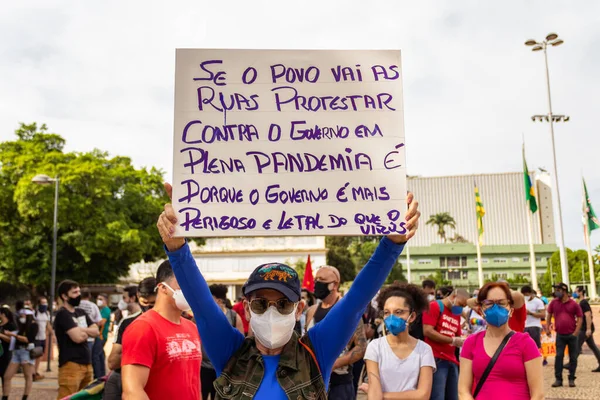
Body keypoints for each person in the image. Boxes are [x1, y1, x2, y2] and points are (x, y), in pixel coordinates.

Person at [156, 182, 419, 399]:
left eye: (283, 304)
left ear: (299, 309)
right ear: (247, 309)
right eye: (260, 304)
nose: (271, 312)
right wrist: (177, 248)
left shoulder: (317, 350)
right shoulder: (229, 351)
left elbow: (354, 302)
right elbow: (202, 305)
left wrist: (391, 244)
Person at [121, 261, 202, 400]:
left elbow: (194, 383)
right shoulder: (143, 328)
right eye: (182, 284)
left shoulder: (192, 328)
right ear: (162, 287)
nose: (190, 289)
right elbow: (132, 392)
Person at [458, 282, 543, 400]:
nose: (495, 307)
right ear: (480, 311)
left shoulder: (526, 343)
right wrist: (484, 296)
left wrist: (496, 289)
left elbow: (538, 394)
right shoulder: (471, 343)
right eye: (489, 303)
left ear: (511, 310)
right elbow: (463, 391)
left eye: (501, 303)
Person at [305, 265, 368, 399]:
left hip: (340, 383)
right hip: (313, 382)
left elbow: (361, 347)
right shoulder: (311, 311)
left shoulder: (348, 311)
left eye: (322, 279)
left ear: (334, 284)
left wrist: (334, 364)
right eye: (316, 279)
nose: (317, 283)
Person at [364, 283, 435, 398]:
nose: (391, 317)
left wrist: (383, 395)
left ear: (412, 316)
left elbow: (423, 395)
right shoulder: (375, 347)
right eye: (387, 312)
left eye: (398, 312)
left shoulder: (424, 350)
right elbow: (374, 392)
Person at [104, 278, 157, 400]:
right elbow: (112, 362)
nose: (149, 308)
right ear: (138, 296)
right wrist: (143, 352)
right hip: (125, 381)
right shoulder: (128, 323)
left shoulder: (177, 323)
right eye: (145, 303)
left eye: (153, 304)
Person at [54, 280, 100, 400]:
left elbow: (96, 331)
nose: (78, 295)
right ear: (64, 296)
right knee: (66, 397)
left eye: (79, 291)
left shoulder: (81, 312)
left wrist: (80, 329)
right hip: (70, 365)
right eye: (74, 292)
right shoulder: (62, 314)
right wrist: (87, 331)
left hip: (86, 363)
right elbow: (78, 338)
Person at [200, 284, 245, 400]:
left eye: (210, 298)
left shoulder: (234, 316)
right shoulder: (201, 317)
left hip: (226, 368)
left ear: (219, 300)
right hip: (204, 367)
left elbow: (242, 344)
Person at [423, 287, 468, 400]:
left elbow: (457, 335)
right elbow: (427, 331)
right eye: (460, 304)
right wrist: (452, 340)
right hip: (436, 358)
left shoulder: (455, 313)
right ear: (453, 297)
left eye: (463, 306)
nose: (461, 308)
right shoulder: (434, 306)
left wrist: (463, 339)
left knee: (453, 396)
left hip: (451, 359)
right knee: (437, 396)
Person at [547, 282, 583, 388]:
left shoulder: (574, 304)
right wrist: (548, 327)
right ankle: (558, 379)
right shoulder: (554, 303)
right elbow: (549, 314)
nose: (556, 292)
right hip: (560, 335)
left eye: (558, 290)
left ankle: (571, 378)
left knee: (573, 358)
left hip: (572, 335)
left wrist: (576, 332)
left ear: (564, 291)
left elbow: (580, 317)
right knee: (558, 356)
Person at [2, 308, 39, 400]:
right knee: (7, 376)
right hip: (16, 352)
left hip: (26, 351)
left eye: (23, 315)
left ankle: (25, 397)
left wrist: (13, 335)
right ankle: (5, 397)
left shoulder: (34, 325)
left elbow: (28, 339)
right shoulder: (20, 325)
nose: (21, 317)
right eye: (20, 316)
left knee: (27, 376)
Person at [574, 286, 600, 372]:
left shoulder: (583, 303)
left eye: (576, 291)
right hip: (585, 327)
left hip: (584, 328)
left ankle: (571, 363)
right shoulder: (581, 302)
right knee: (592, 346)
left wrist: (588, 329)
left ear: (581, 292)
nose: (575, 293)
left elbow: (588, 315)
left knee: (577, 345)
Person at [33, 296, 52, 382]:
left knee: (39, 356)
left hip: (43, 338)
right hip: (36, 338)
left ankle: (35, 371)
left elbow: (48, 325)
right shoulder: (35, 313)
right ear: (39, 304)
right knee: (35, 355)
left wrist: (51, 333)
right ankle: (33, 372)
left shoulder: (46, 313)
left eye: (46, 303)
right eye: (43, 303)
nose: (44, 304)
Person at [521, 285, 545, 353]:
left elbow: (543, 314)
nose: (526, 296)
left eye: (527, 294)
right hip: (524, 326)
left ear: (531, 293)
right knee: (524, 346)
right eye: (524, 294)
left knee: (535, 346)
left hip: (535, 326)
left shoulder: (538, 301)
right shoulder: (522, 301)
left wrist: (530, 313)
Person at [79, 289, 102, 356]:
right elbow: (99, 322)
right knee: (88, 358)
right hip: (90, 337)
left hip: (77, 335)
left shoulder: (75, 305)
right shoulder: (93, 306)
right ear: (89, 296)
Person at [93, 293, 111, 379]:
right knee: (100, 355)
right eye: (98, 299)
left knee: (96, 355)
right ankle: (102, 375)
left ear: (106, 301)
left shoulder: (106, 310)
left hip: (101, 336)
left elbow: (101, 322)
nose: (99, 301)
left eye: (101, 299)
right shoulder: (100, 310)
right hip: (99, 336)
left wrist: (92, 322)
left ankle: (98, 376)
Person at [0, 307, 17, 395]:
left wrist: (1, 335)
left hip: (6, 354)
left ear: (3, 314)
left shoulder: (11, 326)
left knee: (5, 377)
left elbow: (12, 340)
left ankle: (5, 395)